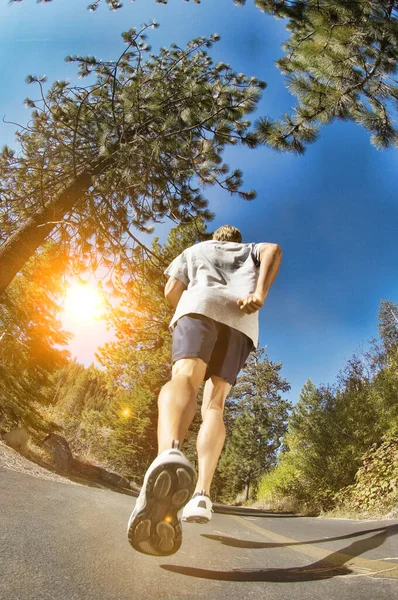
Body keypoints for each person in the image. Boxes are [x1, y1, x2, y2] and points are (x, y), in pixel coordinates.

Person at [127, 225, 282, 556]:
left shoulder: (195, 250)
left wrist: (185, 305)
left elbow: (172, 288)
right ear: (237, 242)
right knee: (215, 404)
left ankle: (168, 454)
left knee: (185, 377)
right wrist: (260, 294)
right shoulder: (250, 250)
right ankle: (201, 494)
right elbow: (274, 249)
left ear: (216, 238)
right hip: (241, 320)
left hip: (200, 306)